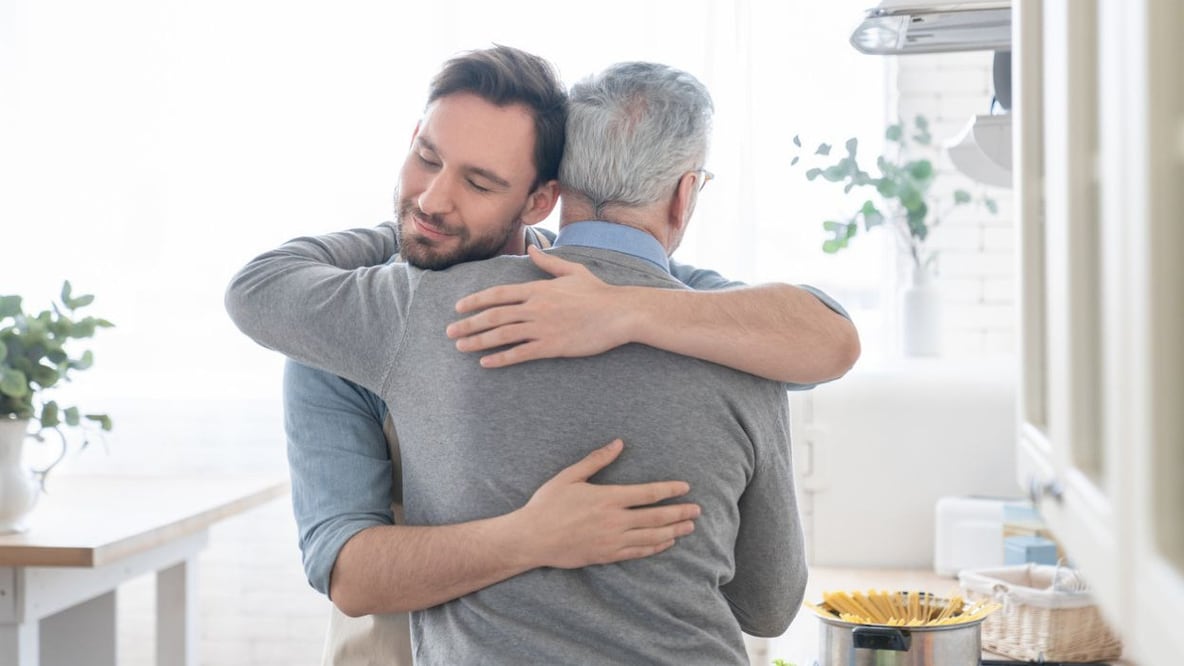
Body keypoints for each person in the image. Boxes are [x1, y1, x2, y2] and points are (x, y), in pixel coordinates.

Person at [228, 56, 853, 663]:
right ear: (684, 195)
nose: (435, 200)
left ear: (543, 197)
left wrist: (621, 311)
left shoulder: (687, 314)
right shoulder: (353, 317)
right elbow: (350, 573)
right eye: (427, 159)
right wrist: (529, 538)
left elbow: (824, 337)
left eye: (479, 182)